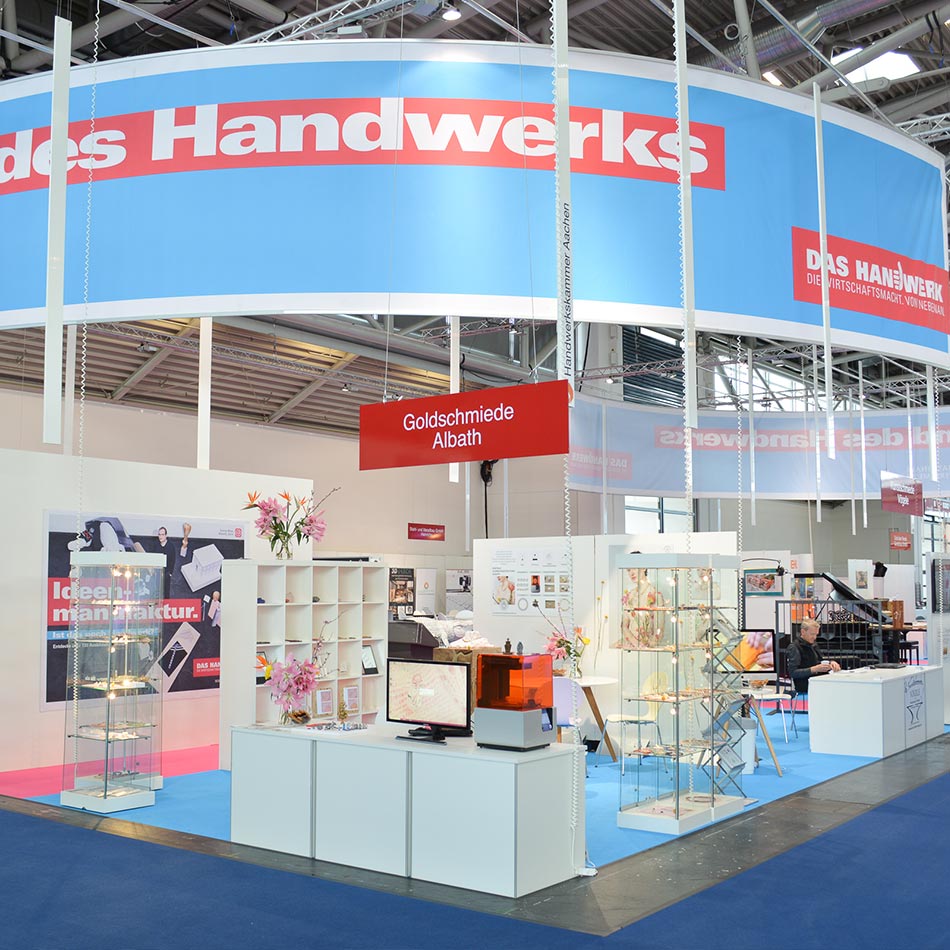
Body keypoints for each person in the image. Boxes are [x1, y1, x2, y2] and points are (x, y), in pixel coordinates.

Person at [787, 618, 841, 693]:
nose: (815, 637)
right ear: (803, 632)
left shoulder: (813, 644)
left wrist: (831, 663)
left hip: (818, 686)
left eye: (816, 634)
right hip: (805, 690)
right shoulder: (794, 647)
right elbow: (793, 673)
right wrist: (814, 669)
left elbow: (820, 661)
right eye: (812, 634)